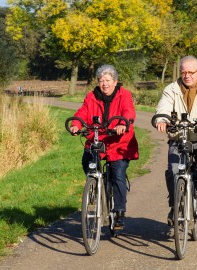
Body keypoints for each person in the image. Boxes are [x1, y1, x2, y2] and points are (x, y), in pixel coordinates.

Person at [69, 64, 139, 231]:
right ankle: (95, 184)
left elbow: (128, 112)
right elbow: (82, 112)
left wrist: (123, 123)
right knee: (87, 159)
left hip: (119, 142)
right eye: (101, 81)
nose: (104, 84)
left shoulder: (124, 95)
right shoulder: (92, 96)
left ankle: (120, 211)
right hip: (98, 139)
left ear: (115, 82)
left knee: (118, 174)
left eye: (107, 80)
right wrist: (76, 124)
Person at [155, 55, 197, 222]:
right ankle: (174, 206)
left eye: (191, 72)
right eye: (184, 72)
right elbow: (163, 107)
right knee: (173, 169)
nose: (187, 75)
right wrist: (161, 119)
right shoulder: (171, 89)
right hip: (179, 137)